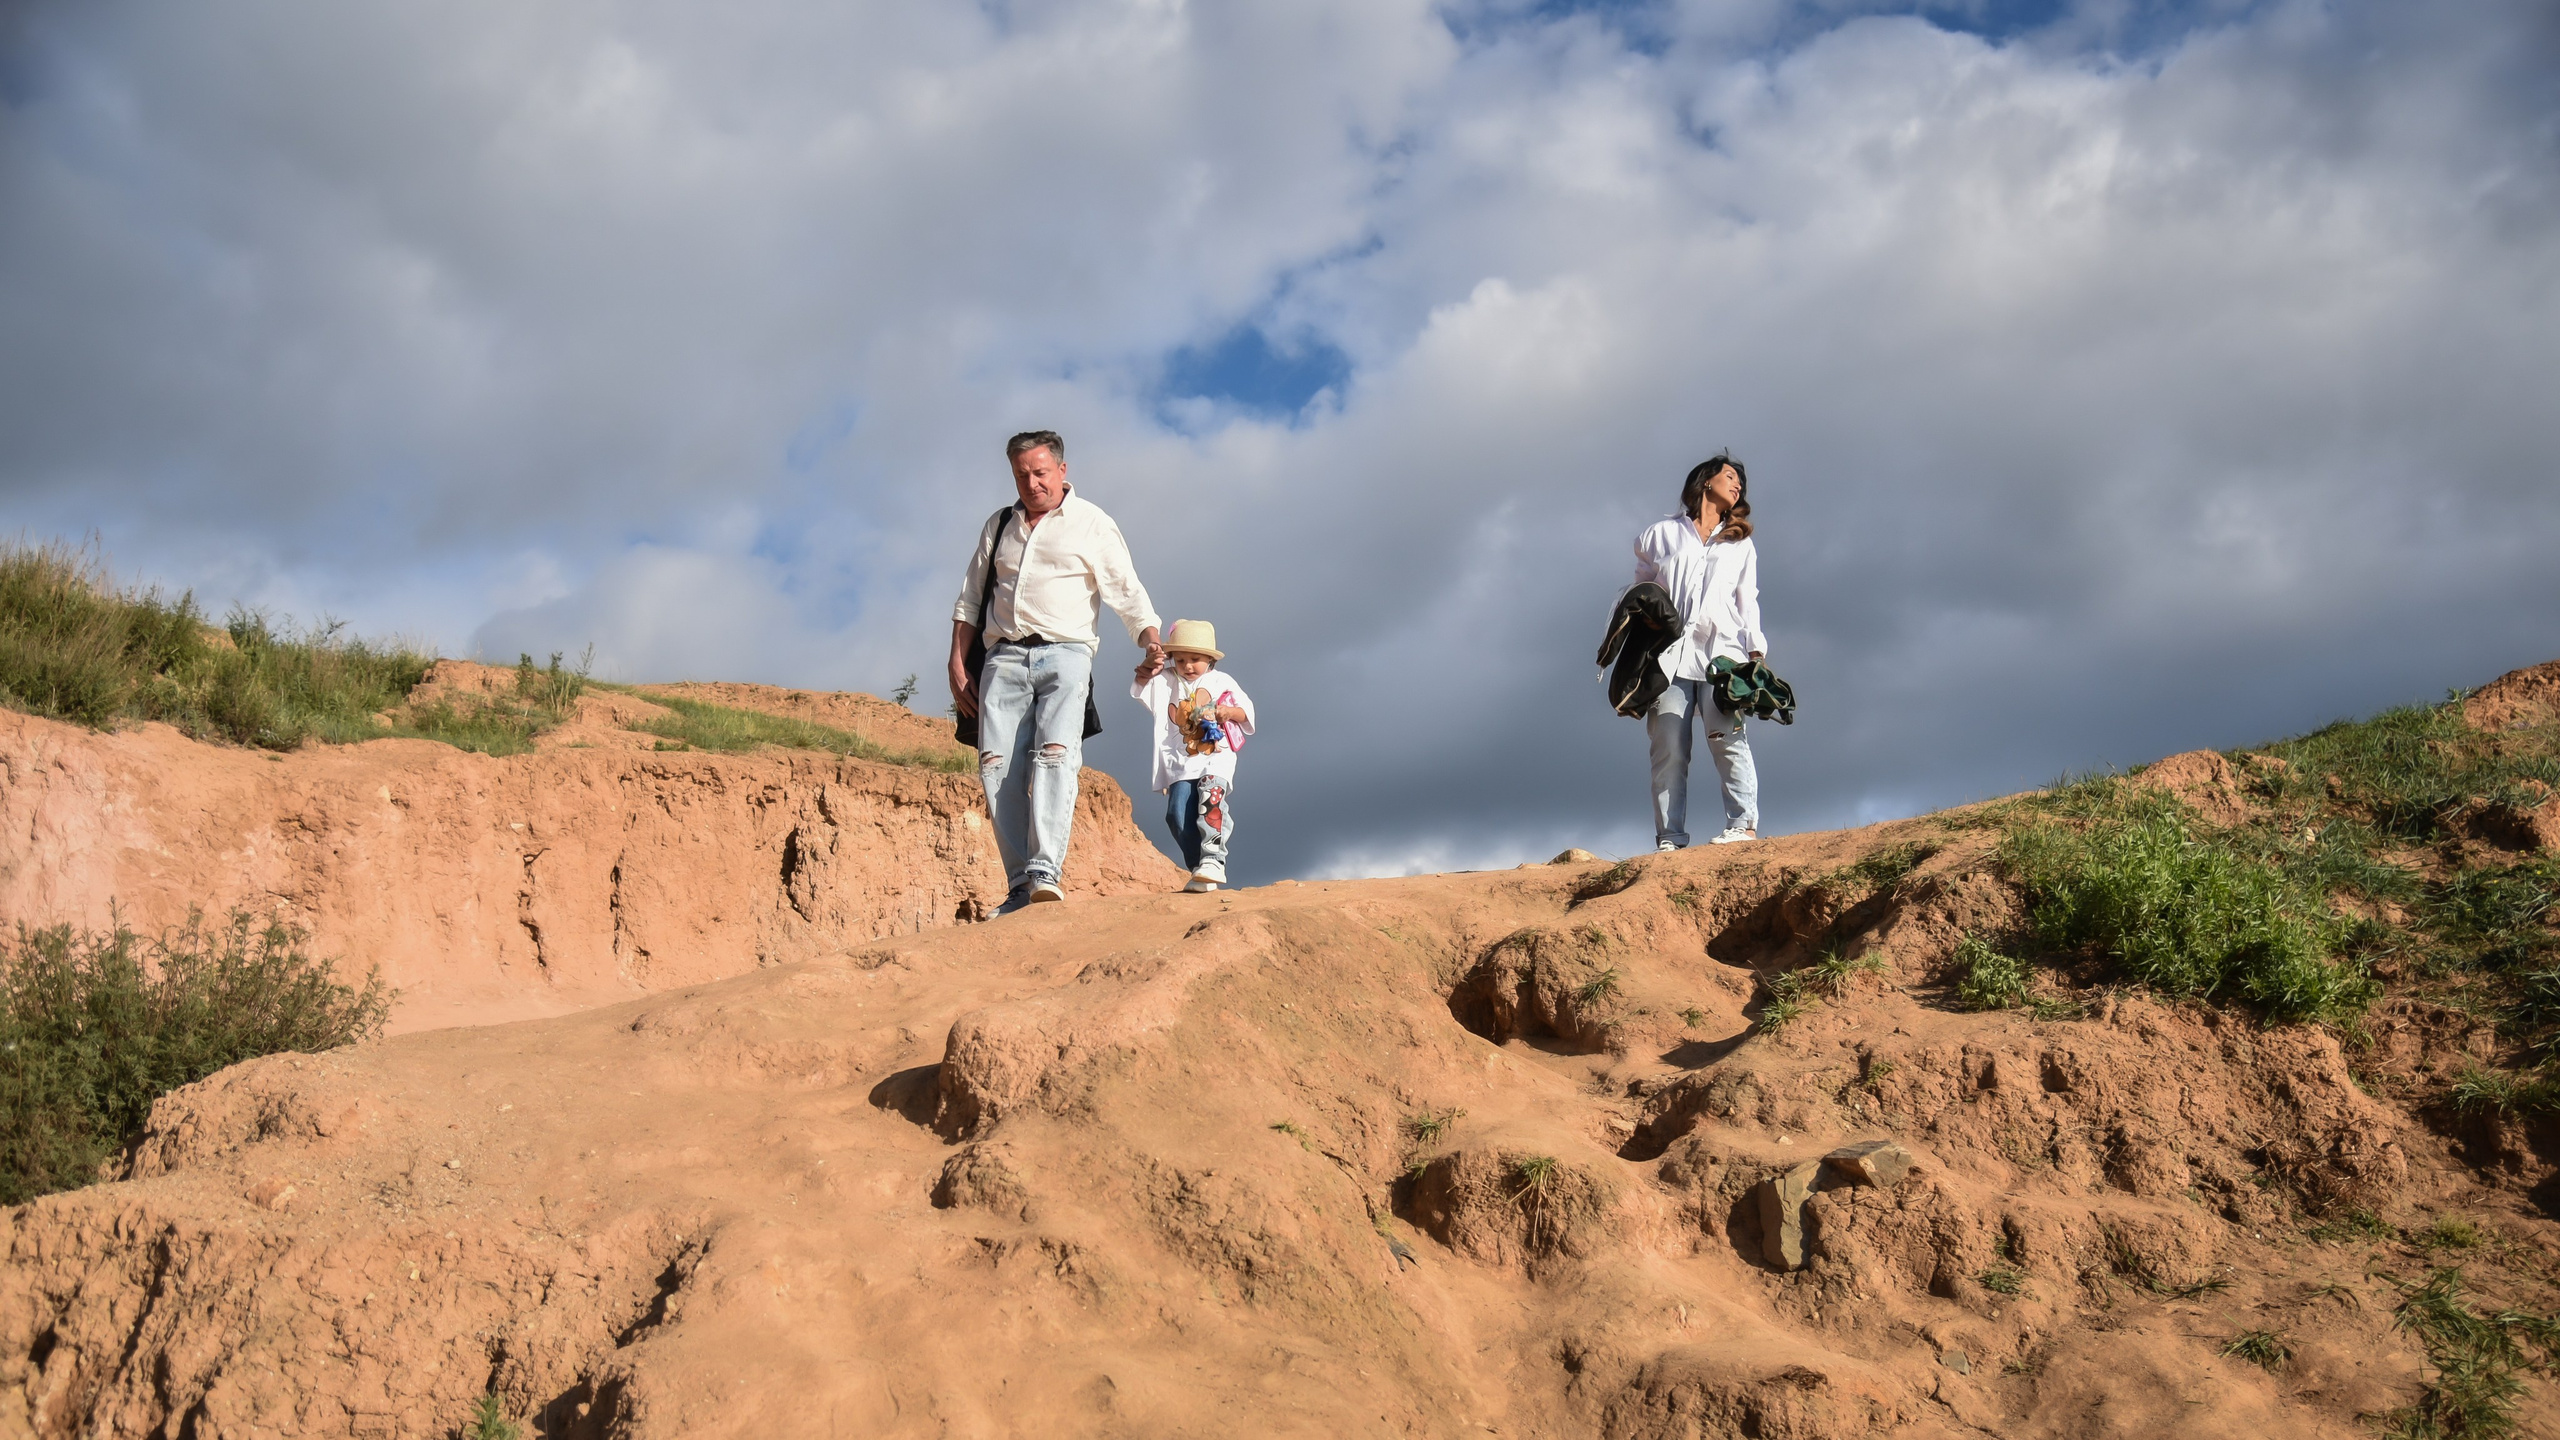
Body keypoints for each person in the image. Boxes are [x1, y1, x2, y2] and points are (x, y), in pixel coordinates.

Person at [950, 431, 1165, 913]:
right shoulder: (1000, 524)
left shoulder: (1092, 523)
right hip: (1002, 657)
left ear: (1062, 471)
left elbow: (1126, 592)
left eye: (1040, 472)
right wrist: (956, 660)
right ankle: (1019, 885)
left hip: (1065, 654)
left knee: (1055, 754)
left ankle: (1046, 869)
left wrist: (1150, 640)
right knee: (995, 767)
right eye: (1022, 474)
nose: (1032, 483)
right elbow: (969, 599)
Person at [1633, 452, 1766, 849]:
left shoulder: (1740, 543)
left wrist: (1756, 652)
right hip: (1669, 658)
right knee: (1669, 747)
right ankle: (1670, 838)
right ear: (1705, 481)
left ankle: (1742, 826)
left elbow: (1749, 600)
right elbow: (1639, 593)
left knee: (1726, 736)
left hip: (1724, 657)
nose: (1737, 484)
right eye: (1730, 476)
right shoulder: (1659, 535)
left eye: (1740, 481)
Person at [1131, 619, 1256, 893]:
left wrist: (1227, 712)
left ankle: (1213, 859)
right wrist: (1146, 668)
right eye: (1181, 659)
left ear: (1210, 658)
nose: (1188, 666)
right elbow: (1141, 687)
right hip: (1179, 763)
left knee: (1211, 802)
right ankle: (1200, 868)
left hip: (1215, 757)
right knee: (1176, 816)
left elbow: (1247, 712)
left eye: (1195, 659)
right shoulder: (1164, 680)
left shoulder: (1222, 680)